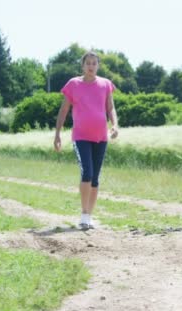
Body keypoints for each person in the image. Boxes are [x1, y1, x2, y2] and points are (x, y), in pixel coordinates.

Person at [54, 51, 119, 230]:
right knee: (87, 173)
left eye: (94, 63)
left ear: (98, 66)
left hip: (101, 137)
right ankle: (83, 215)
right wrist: (57, 134)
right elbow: (63, 110)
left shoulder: (105, 84)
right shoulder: (73, 84)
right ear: (83, 66)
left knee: (95, 178)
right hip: (81, 137)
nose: (91, 66)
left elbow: (110, 108)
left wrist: (115, 125)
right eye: (88, 63)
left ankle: (89, 216)